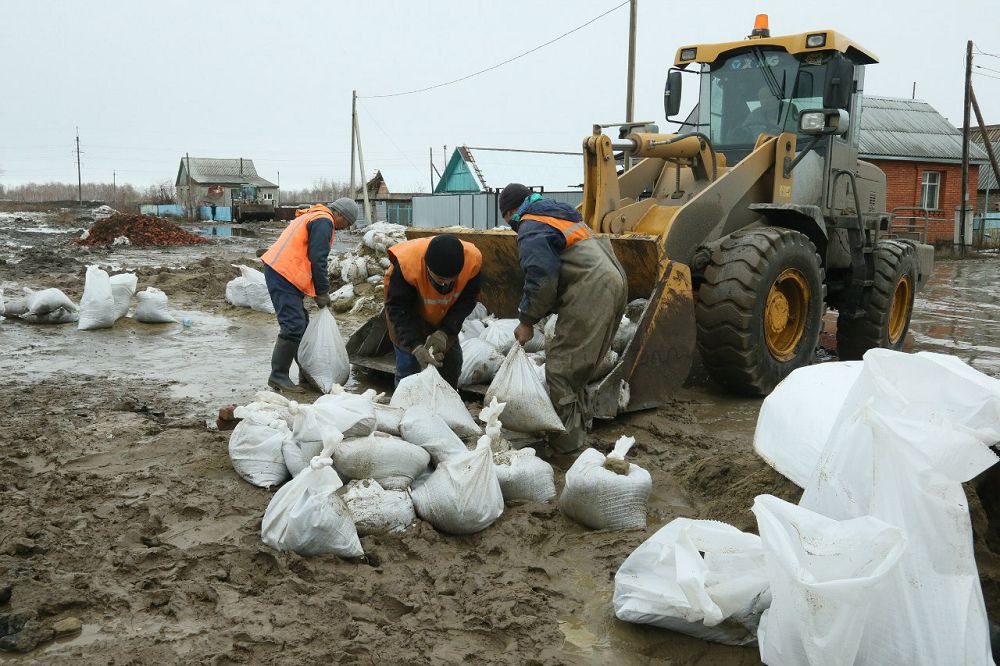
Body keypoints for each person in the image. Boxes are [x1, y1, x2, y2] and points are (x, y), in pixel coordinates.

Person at [498, 183, 627, 454]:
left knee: (560, 370)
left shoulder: (530, 226)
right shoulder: (557, 213)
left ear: (510, 212)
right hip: (613, 280)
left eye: (507, 219)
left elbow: (542, 278)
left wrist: (526, 320)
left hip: (590, 289)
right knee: (577, 369)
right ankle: (579, 430)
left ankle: (567, 447)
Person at [260, 197, 359, 392]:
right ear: (340, 214)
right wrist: (322, 292)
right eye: (347, 223)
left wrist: (316, 292)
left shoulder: (315, 215)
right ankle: (278, 375)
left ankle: (306, 374)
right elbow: (318, 259)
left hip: (285, 272)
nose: (344, 228)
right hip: (283, 273)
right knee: (293, 326)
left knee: (302, 325)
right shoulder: (324, 221)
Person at [383, 234, 483, 388]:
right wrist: (415, 346)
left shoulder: (472, 262)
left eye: (451, 280)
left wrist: (445, 331)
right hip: (407, 316)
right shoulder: (407, 266)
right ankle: (406, 402)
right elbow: (398, 309)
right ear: (427, 267)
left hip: (443, 316)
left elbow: (467, 301)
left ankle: (446, 399)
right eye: (440, 280)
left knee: (451, 364)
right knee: (409, 368)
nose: (446, 284)